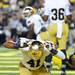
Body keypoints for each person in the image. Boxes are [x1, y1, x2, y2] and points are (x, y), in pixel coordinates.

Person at [37, 0, 72, 75]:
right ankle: (63, 70)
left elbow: (45, 19)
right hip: (63, 26)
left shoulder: (48, 2)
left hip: (52, 26)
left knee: (50, 48)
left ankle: (48, 69)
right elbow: (69, 17)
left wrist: (41, 13)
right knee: (63, 49)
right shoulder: (65, 2)